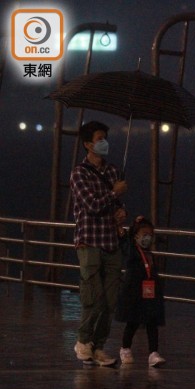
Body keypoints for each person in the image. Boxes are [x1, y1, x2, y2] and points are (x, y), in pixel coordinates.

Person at [70, 120, 128, 366]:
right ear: (87, 144)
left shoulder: (114, 171)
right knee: (92, 297)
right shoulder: (79, 173)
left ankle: (99, 345)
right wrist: (114, 193)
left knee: (110, 300)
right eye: (99, 138)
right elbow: (92, 205)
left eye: (105, 137)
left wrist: (120, 211)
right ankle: (83, 341)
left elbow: (113, 206)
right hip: (90, 241)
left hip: (111, 242)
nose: (104, 142)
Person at [116, 216, 166, 367]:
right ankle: (125, 348)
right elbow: (125, 239)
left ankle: (153, 353)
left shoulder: (149, 254)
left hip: (149, 292)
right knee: (133, 322)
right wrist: (133, 226)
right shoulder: (132, 251)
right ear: (136, 236)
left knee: (152, 322)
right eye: (144, 234)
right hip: (134, 292)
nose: (147, 238)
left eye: (150, 234)